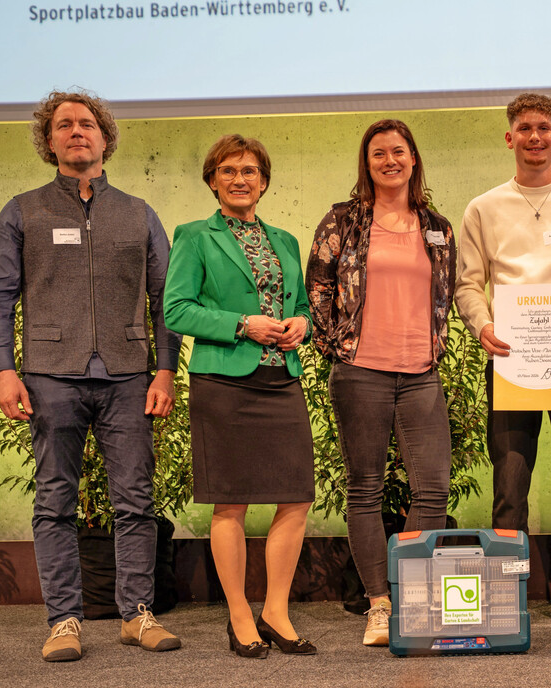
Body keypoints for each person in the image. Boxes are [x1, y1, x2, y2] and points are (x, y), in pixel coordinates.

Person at [0, 90, 182, 661]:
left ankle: (137, 615)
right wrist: (4, 371)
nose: (76, 132)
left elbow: (165, 299)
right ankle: (63, 621)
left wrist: (164, 370)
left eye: (86, 123)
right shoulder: (22, 211)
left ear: (104, 137)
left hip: (128, 377)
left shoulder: (139, 213)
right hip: (49, 375)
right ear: (49, 141)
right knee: (54, 502)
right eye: (64, 125)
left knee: (136, 502)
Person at [455, 93, 551, 638]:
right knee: (510, 484)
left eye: (545, 127)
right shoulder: (483, 208)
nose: (535, 137)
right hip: (508, 359)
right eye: (525, 128)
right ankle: (506, 593)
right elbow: (468, 284)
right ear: (509, 138)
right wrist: (483, 326)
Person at [164, 134, 316, 659]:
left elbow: (303, 308)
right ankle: (238, 613)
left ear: (264, 181)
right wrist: (241, 324)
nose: (239, 178)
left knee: (296, 496)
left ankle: (275, 610)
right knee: (231, 501)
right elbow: (176, 310)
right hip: (224, 382)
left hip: (283, 379)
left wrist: (303, 324)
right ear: (212, 181)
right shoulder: (193, 236)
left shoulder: (286, 241)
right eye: (228, 170)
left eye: (250, 170)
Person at [305, 120, 456, 647]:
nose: (389, 160)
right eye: (378, 154)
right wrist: (340, 348)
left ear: (414, 158)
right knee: (365, 488)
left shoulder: (437, 224)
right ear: (366, 165)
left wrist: (433, 348)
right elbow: (318, 288)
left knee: (433, 487)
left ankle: (412, 596)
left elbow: (445, 294)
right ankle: (378, 603)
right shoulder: (343, 221)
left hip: (421, 374)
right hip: (360, 371)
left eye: (398, 151)